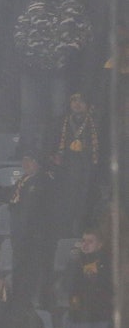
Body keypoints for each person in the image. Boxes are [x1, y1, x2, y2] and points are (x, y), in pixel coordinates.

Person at [12, 0, 92, 155]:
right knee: (29, 111)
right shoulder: (34, 6)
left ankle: (55, 149)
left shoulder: (74, 8)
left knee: (58, 111)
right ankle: (26, 152)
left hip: (58, 71)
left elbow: (86, 33)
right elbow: (20, 29)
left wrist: (70, 50)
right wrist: (25, 50)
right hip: (32, 70)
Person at [0, 156, 55, 307]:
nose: (25, 164)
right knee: (21, 281)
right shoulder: (24, 181)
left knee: (37, 283)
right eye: (24, 160)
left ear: (38, 162)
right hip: (21, 241)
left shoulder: (43, 181)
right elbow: (3, 193)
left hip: (36, 242)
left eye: (30, 160)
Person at [63, 229, 112, 328]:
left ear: (100, 244)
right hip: (79, 318)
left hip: (100, 317)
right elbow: (67, 286)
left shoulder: (107, 262)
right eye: (83, 240)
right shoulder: (76, 261)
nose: (85, 244)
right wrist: (73, 262)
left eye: (90, 241)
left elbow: (107, 287)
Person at [51, 94, 101, 235]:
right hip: (66, 172)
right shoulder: (61, 122)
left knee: (84, 207)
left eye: (81, 101)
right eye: (74, 100)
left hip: (88, 172)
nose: (77, 104)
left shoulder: (95, 123)